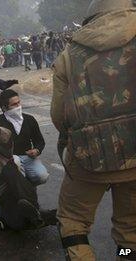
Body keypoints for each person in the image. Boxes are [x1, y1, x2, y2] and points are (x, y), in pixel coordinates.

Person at [51, 1, 136, 259]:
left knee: (72, 221)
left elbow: (59, 116)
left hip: (88, 156)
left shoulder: (69, 53)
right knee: (129, 228)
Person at [0, 90, 49, 186]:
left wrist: (37, 150)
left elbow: (39, 141)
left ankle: (27, 186)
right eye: (14, 104)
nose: (18, 106)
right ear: (4, 108)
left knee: (42, 176)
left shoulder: (29, 120)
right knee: (16, 163)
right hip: (9, 159)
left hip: (28, 157)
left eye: (19, 102)